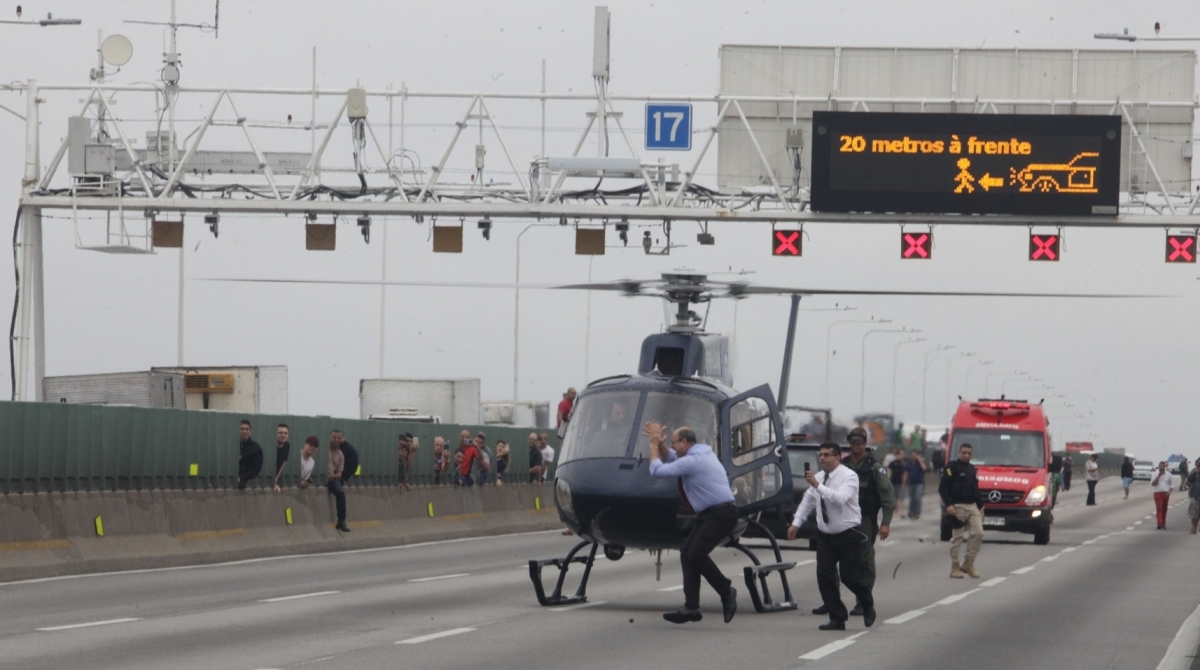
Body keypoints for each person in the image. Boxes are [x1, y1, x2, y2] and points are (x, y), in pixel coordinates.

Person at [644, 422, 738, 625]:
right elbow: (670, 456)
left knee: (696, 554)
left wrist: (653, 445)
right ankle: (692, 607)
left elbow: (657, 470)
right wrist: (660, 443)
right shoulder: (697, 453)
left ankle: (726, 590)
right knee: (687, 553)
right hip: (710, 513)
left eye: (674, 442)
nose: (672, 446)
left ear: (685, 442)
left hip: (722, 513)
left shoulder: (693, 460)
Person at [788, 442, 876, 631]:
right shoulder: (818, 478)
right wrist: (796, 523)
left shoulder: (849, 476)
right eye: (821, 455)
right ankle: (837, 617)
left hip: (848, 533)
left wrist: (817, 485)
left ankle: (867, 603)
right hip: (826, 534)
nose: (823, 459)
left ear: (838, 457)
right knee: (824, 576)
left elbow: (840, 499)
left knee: (849, 576)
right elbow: (808, 501)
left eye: (827, 455)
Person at [812, 426, 894, 619]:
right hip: (839, 519)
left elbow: (887, 495)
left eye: (859, 441)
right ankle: (831, 602)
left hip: (864, 519)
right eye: (852, 441)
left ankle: (862, 602)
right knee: (828, 565)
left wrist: (886, 522)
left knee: (863, 559)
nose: (855, 445)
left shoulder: (874, 467)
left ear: (865, 444)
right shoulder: (842, 465)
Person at [940, 443, 983, 579]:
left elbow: (975, 490)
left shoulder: (972, 469)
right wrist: (949, 505)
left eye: (969, 453)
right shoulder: (951, 467)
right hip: (957, 507)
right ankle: (955, 567)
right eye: (963, 453)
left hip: (972, 506)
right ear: (959, 453)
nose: (966, 455)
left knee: (978, 533)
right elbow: (943, 487)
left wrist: (981, 506)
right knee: (957, 538)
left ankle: (968, 563)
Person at [327, 435, 351, 532]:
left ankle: (342, 521)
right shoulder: (324, 450)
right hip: (320, 476)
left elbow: (339, 473)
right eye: (334, 437)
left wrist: (333, 476)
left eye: (338, 438)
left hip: (333, 478)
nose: (336, 440)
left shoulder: (340, 454)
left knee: (340, 492)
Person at [237, 420, 263, 490]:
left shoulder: (256, 448)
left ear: (250, 431)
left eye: (247, 429)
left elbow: (256, 468)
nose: (244, 431)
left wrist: (241, 478)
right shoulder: (233, 446)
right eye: (242, 429)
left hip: (247, 483)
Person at [906, 449, 928, 519]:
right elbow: (906, 472)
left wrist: (920, 460)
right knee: (912, 498)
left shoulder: (920, 463)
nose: (914, 455)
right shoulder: (909, 463)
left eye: (915, 454)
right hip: (911, 482)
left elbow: (924, 469)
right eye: (912, 454)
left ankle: (917, 512)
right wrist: (904, 481)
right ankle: (911, 511)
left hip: (919, 483)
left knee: (917, 498)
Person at [1153, 461, 1173, 530]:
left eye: (1163, 466)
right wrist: (1158, 476)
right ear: (1159, 467)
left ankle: (1163, 523)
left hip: (1165, 493)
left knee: (1164, 509)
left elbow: (1171, 485)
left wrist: (1169, 491)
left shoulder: (1169, 474)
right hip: (1158, 493)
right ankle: (1159, 523)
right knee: (1159, 508)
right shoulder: (1155, 474)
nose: (1162, 467)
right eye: (1160, 466)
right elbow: (1153, 484)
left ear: (1165, 466)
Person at [888, 449, 907, 518]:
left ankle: (901, 511)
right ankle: (895, 510)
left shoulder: (904, 462)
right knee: (894, 498)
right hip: (893, 482)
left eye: (902, 454)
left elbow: (905, 473)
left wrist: (904, 482)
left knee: (901, 498)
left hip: (901, 482)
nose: (900, 456)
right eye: (899, 454)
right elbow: (888, 468)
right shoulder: (893, 462)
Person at [272, 423, 291, 493]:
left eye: (285, 433)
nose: (283, 435)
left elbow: (283, 464)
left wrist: (274, 482)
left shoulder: (287, 445)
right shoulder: (271, 446)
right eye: (280, 433)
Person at [1187, 458, 1200, 534]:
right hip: (1195, 495)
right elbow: (1188, 481)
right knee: (1194, 513)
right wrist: (1195, 472)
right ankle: (1194, 528)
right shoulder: (1194, 471)